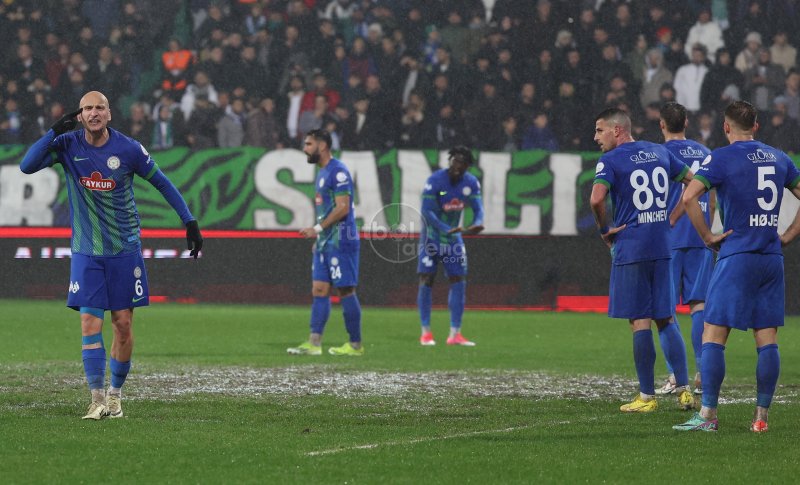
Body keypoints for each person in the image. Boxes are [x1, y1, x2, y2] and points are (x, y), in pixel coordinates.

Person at [19, 91, 203, 420]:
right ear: (79, 115)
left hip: (124, 250)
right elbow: (27, 165)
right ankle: (97, 399)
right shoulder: (67, 144)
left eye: (99, 108)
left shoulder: (129, 149)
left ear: (109, 114)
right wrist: (53, 131)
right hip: (87, 252)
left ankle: (115, 394)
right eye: (87, 108)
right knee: (89, 321)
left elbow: (162, 183)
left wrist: (189, 221)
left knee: (123, 325)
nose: (94, 113)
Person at [674, 100, 800, 432]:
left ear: (726, 127)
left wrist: (707, 236)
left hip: (737, 255)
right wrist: (788, 235)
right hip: (771, 258)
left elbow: (689, 197)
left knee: (713, 333)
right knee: (767, 338)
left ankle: (708, 416)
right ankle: (761, 418)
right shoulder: (779, 157)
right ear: (756, 126)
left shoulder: (720, 157)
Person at [589, 108, 694, 413]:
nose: (596, 137)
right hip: (662, 245)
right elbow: (693, 182)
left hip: (632, 246)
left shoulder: (610, 160)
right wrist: (672, 217)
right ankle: (684, 390)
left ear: (617, 130)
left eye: (599, 130)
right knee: (666, 317)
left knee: (639, 321)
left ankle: (647, 397)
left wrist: (605, 230)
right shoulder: (659, 151)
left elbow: (596, 199)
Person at [654, 102, 713, 397]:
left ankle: (676, 376)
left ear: (662, 124)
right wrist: (707, 227)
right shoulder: (705, 153)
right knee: (699, 304)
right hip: (700, 235)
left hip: (668, 237)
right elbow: (711, 194)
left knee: (664, 311)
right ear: (687, 122)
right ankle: (702, 373)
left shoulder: (657, 154)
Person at [287, 129, 363, 356]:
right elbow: (327, 209)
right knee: (319, 289)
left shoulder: (338, 171)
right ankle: (314, 343)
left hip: (342, 239)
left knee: (346, 290)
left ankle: (355, 345)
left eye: (309, 144)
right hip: (326, 241)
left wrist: (317, 229)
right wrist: (320, 237)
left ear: (322, 146)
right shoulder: (322, 172)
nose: (305, 149)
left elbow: (343, 207)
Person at [417, 146, 484, 347]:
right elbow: (427, 211)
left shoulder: (471, 183)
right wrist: (446, 228)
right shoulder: (435, 180)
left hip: (453, 240)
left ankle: (455, 334)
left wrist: (478, 223)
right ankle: (426, 333)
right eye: (454, 161)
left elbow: (478, 209)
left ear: (467, 166)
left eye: (461, 163)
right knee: (426, 279)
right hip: (431, 238)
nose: (456, 166)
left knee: (458, 280)